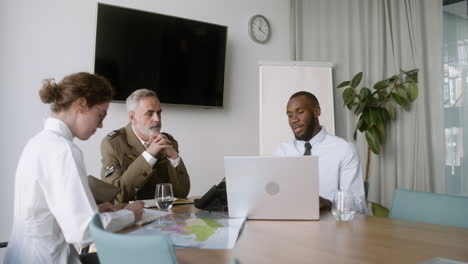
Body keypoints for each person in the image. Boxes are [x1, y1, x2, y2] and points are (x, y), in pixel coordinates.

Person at [4, 72, 144, 264]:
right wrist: (129, 214)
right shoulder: (64, 150)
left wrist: (93, 210)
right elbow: (83, 231)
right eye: (100, 114)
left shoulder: (36, 143)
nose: (101, 125)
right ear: (81, 104)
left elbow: (49, 212)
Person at [273, 91, 366, 211]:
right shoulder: (282, 151)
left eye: (300, 112)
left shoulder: (344, 150)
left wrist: (330, 204)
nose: (294, 120)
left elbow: (359, 206)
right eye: (290, 115)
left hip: (329, 226)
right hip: (288, 222)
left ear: (316, 112)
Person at [101, 89, 190, 204]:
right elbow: (116, 196)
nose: (157, 119)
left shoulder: (168, 142)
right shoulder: (113, 144)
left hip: (164, 216)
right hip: (131, 216)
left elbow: (182, 193)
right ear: (132, 116)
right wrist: (149, 155)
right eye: (149, 113)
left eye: (159, 113)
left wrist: (174, 157)